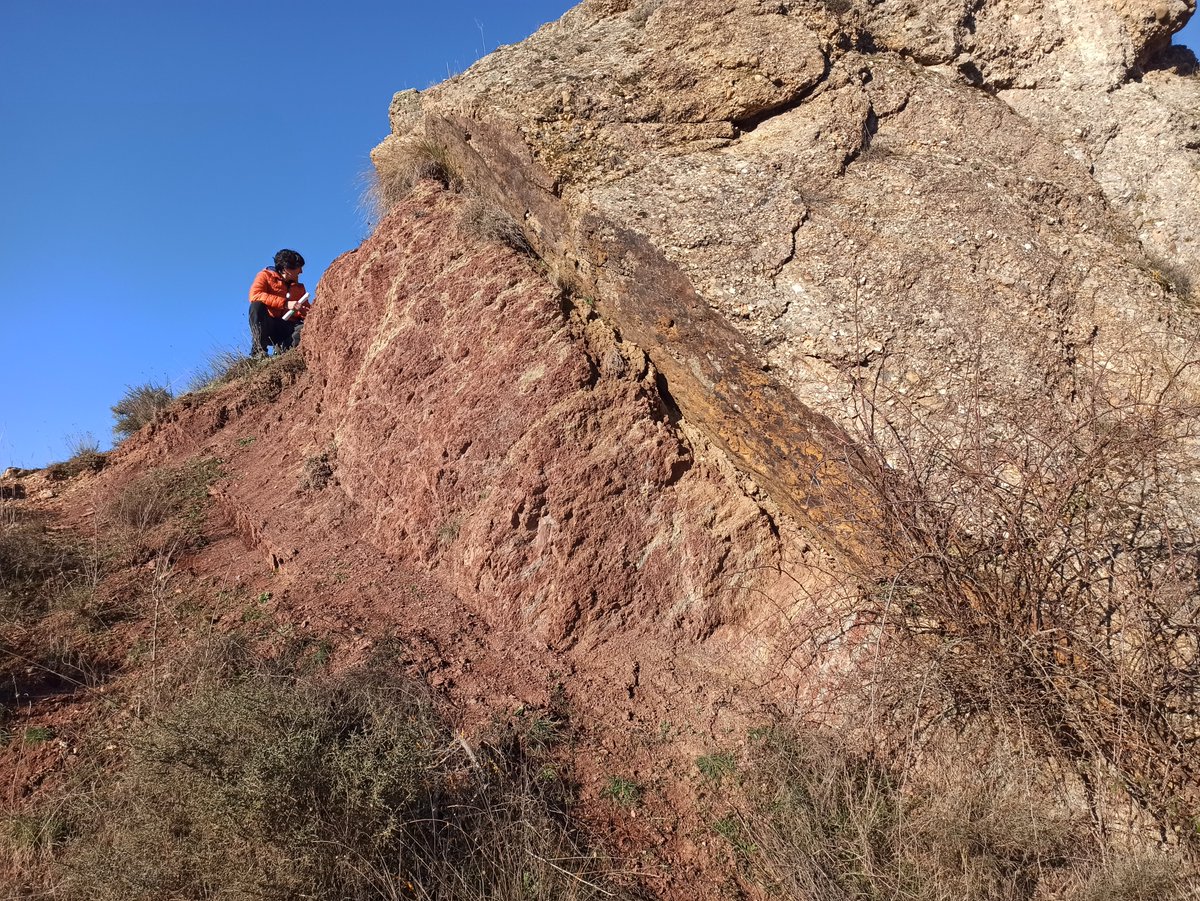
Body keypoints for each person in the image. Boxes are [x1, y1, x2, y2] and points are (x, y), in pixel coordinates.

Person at [248, 249, 310, 356]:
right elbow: (255, 295)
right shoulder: (265, 276)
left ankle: (282, 351)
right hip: (268, 325)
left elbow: (307, 311)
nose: (301, 271)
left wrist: (303, 311)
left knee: (305, 327)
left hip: (288, 327)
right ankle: (258, 352)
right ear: (286, 269)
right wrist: (285, 303)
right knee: (256, 306)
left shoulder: (299, 288)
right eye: (298, 267)